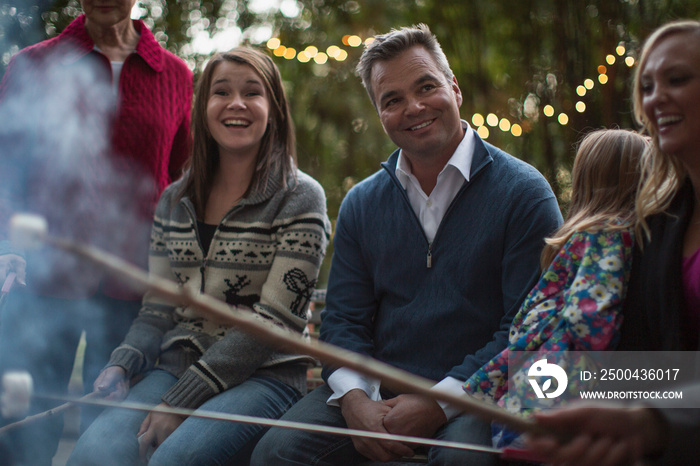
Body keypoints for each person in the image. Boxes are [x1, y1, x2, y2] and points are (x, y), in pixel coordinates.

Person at [251, 23, 562, 466]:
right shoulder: (362, 203)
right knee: (277, 452)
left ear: (454, 89)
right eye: (392, 100)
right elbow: (343, 323)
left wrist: (437, 404)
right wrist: (357, 402)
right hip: (376, 394)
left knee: (462, 461)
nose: (413, 107)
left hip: (482, 393)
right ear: (380, 113)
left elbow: (528, 331)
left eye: (426, 87)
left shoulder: (524, 193)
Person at [66, 46, 331, 465]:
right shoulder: (175, 200)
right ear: (203, 108)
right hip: (173, 369)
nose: (236, 104)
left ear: (274, 108)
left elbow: (275, 320)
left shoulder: (300, 197)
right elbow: (157, 308)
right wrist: (122, 363)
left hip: (264, 376)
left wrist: (181, 401)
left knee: (173, 460)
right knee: (91, 454)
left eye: (252, 92)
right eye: (221, 91)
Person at [0, 1, 192, 464]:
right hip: (41, 276)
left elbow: (181, 179)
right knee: (22, 427)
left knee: (111, 436)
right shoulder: (33, 64)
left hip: (134, 284)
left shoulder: (175, 74)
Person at [521, 18, 700, 466]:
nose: (657, 96)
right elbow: (654, 367)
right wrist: (564, 392)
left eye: (677, 79)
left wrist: (650, 418)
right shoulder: (656, 222)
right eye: (647, 86)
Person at [464, 129, 648, 446]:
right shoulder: (609, 234)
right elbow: (587, 316)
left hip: (526, 389)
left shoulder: (577, 236)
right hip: (559, 394)